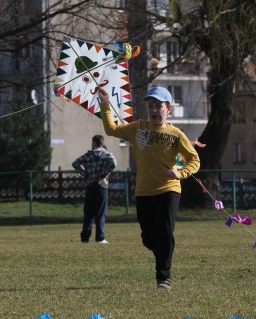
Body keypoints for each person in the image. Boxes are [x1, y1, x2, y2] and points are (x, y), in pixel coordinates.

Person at [98, 86, 200, 290]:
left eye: (159, 106)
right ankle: (164, 249)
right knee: (148, 238)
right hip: (144, 192)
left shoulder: (175, 134)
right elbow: (111, 130)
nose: (154, 109)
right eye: (150, 105)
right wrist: (105, 104)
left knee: (164, 233)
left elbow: (194, 160)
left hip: (169, 190)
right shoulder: (138, 128)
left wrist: (180, 173)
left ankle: (163, 278)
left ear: (168, 109)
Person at [72, 135, 116, 244]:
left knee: (88, 213)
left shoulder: (88, 155)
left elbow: (75, 163)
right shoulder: (106, 154)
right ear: (102, 143)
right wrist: (104, 174)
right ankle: (100, 237)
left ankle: (85, 238)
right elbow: (113, 164)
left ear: (95, 143)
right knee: (100, 212)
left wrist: (86, 174)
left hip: (90, 185)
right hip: (102, 185)